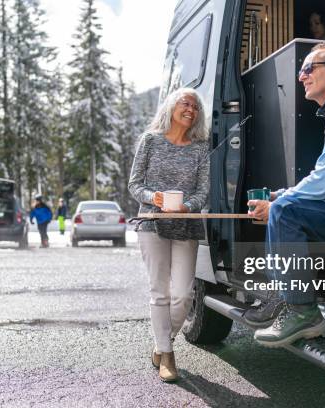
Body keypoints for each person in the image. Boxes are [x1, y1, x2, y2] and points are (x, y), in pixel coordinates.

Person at [245, 43, 325, 347]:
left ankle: (302, 310)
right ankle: (282, 297)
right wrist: (282, 194)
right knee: (285, 206)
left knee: (285, 211)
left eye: (308, 69)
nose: (301, 77)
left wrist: (280, 200)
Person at [128, 87, 209, 382]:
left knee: (184, 295)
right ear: (171, 107)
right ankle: (168, 355)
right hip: (152, 223)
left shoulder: (200, 147)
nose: (191, 109)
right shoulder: (150, 140)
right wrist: (155, 197)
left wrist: (188, 206)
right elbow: (135, 185)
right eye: (185, 103)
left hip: (186, 223)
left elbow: (203, 190)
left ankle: (162, 344)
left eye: (196, 106)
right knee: (159, 291)